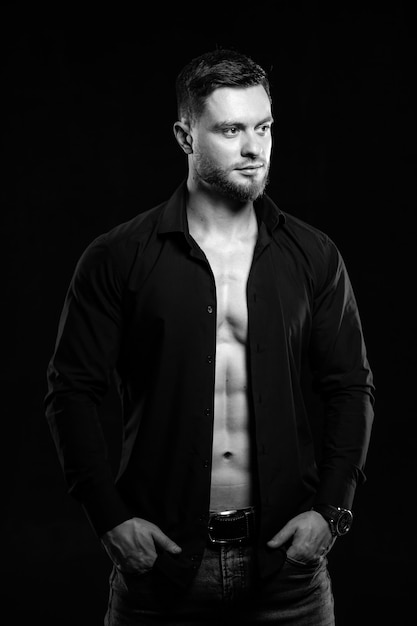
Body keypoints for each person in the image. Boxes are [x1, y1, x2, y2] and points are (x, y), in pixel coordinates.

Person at [45, 48, 375, 625]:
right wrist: (109, 518)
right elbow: (71, 392)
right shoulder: (119, 257)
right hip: (161, 571)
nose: (254, 148)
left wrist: (333, 512)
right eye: (230, 130)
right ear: (185, 136)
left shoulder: (314, 256)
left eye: (264, 127)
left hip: (287, 573)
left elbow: (350, 386)